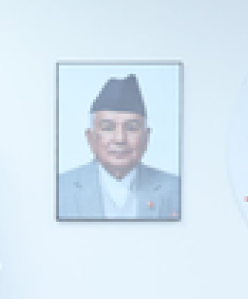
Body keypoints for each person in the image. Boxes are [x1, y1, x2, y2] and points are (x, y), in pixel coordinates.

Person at [57, 74, 180, 220]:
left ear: (146, 137)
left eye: (132, 128)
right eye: (108, 128)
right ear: (90, 138)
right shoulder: (59, 189)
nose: (120, 139)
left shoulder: (176, 189)